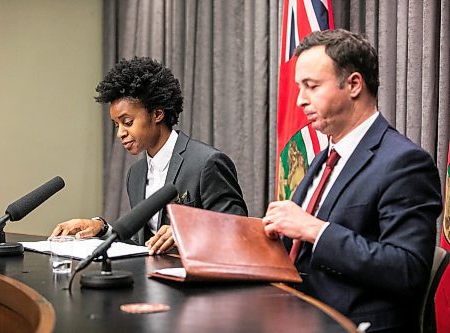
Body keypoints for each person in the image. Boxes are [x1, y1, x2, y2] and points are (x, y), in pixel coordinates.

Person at [262, 29, 442, 332]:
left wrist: (315, 230)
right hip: (294, 313)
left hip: (350, 324)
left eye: (312, 86)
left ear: (354, 84)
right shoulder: (326, 157)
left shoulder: (404, 163)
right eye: (299, 87)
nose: (300, 101)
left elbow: (408, 270)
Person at [50, 56, 248, 255]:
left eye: (127, 122)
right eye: (116, 125)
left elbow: (238, 230)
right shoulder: (136, 173)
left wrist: (188, 231)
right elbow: (142, 242)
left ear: (157, 114)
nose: (120, 133)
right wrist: (102, 228)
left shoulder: (207, 162)